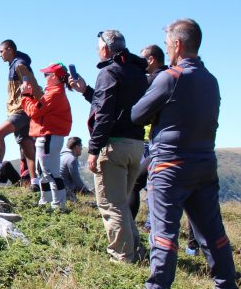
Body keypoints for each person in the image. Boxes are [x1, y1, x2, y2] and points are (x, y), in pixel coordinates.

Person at [131, 19, 239, 289]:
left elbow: (137, 115)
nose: (167, 48)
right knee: (212, 232)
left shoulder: (170, 77)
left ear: (177, 45)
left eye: (168, 44)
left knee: (164, 230)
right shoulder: (211, 80)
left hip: (169, 165)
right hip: (205, 163)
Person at [69, 29, 148, 264]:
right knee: (121, 204)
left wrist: (94, 150)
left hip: (114, 146)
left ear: (105, 49)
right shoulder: (136, 71)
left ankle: (122, 257)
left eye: (97, 48)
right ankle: (138, 251)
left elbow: (104, 115)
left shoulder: (108, 72)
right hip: (135, 145)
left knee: (111, 205)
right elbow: (115, 105)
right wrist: (85, 91)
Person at [20, 63, 73, 210]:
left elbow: (34, 112)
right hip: (47, 136)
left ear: (54, 77)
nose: (44, 77)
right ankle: (47, 203)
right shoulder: (55, 93)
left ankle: (58, 206)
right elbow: (39, 109)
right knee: (43, 172)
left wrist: (25, 96)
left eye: (46, 74)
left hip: (48, 136)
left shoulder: (54, 94)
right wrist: (29, 96)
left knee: (50, 172)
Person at [129, 44, 169, 231]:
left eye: (142, 59)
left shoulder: (154, 80)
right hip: (153, 139)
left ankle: (139, 225)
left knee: (137, 184)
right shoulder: (170, 78)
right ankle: (149, 224)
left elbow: (139, 112)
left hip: (151, 140)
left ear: (151, 59)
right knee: (151, 186)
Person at [0, 40, 39, 191]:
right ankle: (35, 183)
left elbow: (24, 73)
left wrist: (26, 82)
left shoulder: (18, 63)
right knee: (27, 146)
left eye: (1, 51)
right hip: (24, 110)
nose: (0, 55)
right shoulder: (15, 63)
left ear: (9, 49)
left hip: (21, 111)